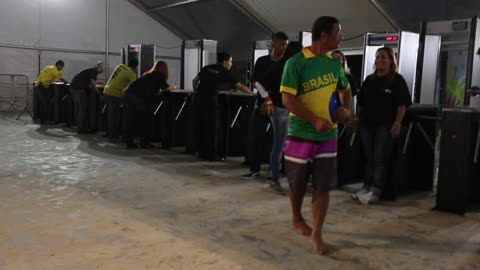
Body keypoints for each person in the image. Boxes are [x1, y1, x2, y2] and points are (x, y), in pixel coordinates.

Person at [280, 16, 352, 255]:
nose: (341, 36)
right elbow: (287, 99)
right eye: (338, 32)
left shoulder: (334, 64)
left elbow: (346, 89)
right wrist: (314, 120)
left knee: (323, 186)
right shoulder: (296, 62)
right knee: (297, 184)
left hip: (328, 137)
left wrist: (345, 110)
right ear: (324, 35)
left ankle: (317, 233)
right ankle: (297, 218)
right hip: (300, 134)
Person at [353, 47, 412, 204]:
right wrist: (357, 118)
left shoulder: (397, 80)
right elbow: (361, 102)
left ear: (390, 60)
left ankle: (376, 190)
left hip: (385, 126)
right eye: (377, 57)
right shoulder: (369, 80)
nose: (379, 60)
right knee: (369, 158)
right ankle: (366, 186)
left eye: (383, 57)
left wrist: (397, 123)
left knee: (380, 158)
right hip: (367, 125)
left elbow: (402, 105)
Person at [254, 41, 303, 194]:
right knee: (280, 145)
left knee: (287, 146)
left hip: (290, 110)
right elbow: (258, 84)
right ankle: (274, 179)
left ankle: (281, 178)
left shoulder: (292, 67)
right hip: (280, 110)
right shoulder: (281, 66)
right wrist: (268, 101)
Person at [242, 32, 289, 179]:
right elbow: (256, 82)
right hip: (263, 105)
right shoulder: (262, 61)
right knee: (257, 136)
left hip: (281, 106)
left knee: (278, 141)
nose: (284, 47)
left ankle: (274, 170)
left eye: (286, 44)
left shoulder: (287, 64)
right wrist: (266, 99)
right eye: (282, 44)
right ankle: (254, 168)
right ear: (274, 44)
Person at [192, 52, 253, 161]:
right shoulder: (225, 72)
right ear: (224, 61)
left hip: (199, 100)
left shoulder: (207, 67)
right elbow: (239, 86)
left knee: (201, 126)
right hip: (211, 101)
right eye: (230, 61)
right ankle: (212, 155)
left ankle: (201, 152)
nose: (231, 64)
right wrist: (252, 93)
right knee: (213, 128)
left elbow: (195, 80)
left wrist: (196, 91)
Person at [124, 61, 176, 149]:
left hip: (129, 94)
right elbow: (165, 88)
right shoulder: (159, 75)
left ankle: (130, 142)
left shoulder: (149, 74)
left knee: (132, 120)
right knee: (146, 120)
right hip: (138, 97)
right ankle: (144, 142)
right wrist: (172, 88)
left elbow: (152, 90)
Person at [103, 59, 139, 141]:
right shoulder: (131, 73)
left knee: (109, 115)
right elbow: (133, 87)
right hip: (115, 94)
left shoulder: (120, 66)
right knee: (115, 116)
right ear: (136, 67)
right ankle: (113, 136)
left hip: (106, 91)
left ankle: (109, 133)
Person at [69, 62, 105, 133]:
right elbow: (93, 84)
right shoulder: (94, 71)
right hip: (79, 89)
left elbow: (89, 82)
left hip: (73, 87)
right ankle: (80, 128)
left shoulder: (91, 70)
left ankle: (77, 125)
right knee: (83, 108)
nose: (104, 70)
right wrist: (99, 94)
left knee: (78, 107)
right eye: (103, 68)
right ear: (99, 67)